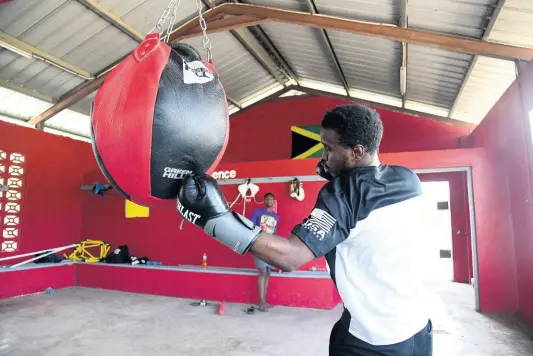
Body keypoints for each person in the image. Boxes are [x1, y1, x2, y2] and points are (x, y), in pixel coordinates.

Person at [177, 104, 433, 355]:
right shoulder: (407, 178)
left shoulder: (344, 194)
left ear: (356, 152)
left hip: (373, 340)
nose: (323, 157)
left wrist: (216, 219)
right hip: (418, 329)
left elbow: (290, 257)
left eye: (328, 148)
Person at [250, 192, 280, 312]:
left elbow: (274, 231)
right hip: (259, 245)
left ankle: (264, 301)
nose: (269, 201)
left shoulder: (276, 216)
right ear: (264, 201)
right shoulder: (257, 212)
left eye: (271, 199)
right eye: (267, 199)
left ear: (273, 202)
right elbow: (250, 226)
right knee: (262, 271)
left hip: (270, 246)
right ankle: (261, 302)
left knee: (268, 272)